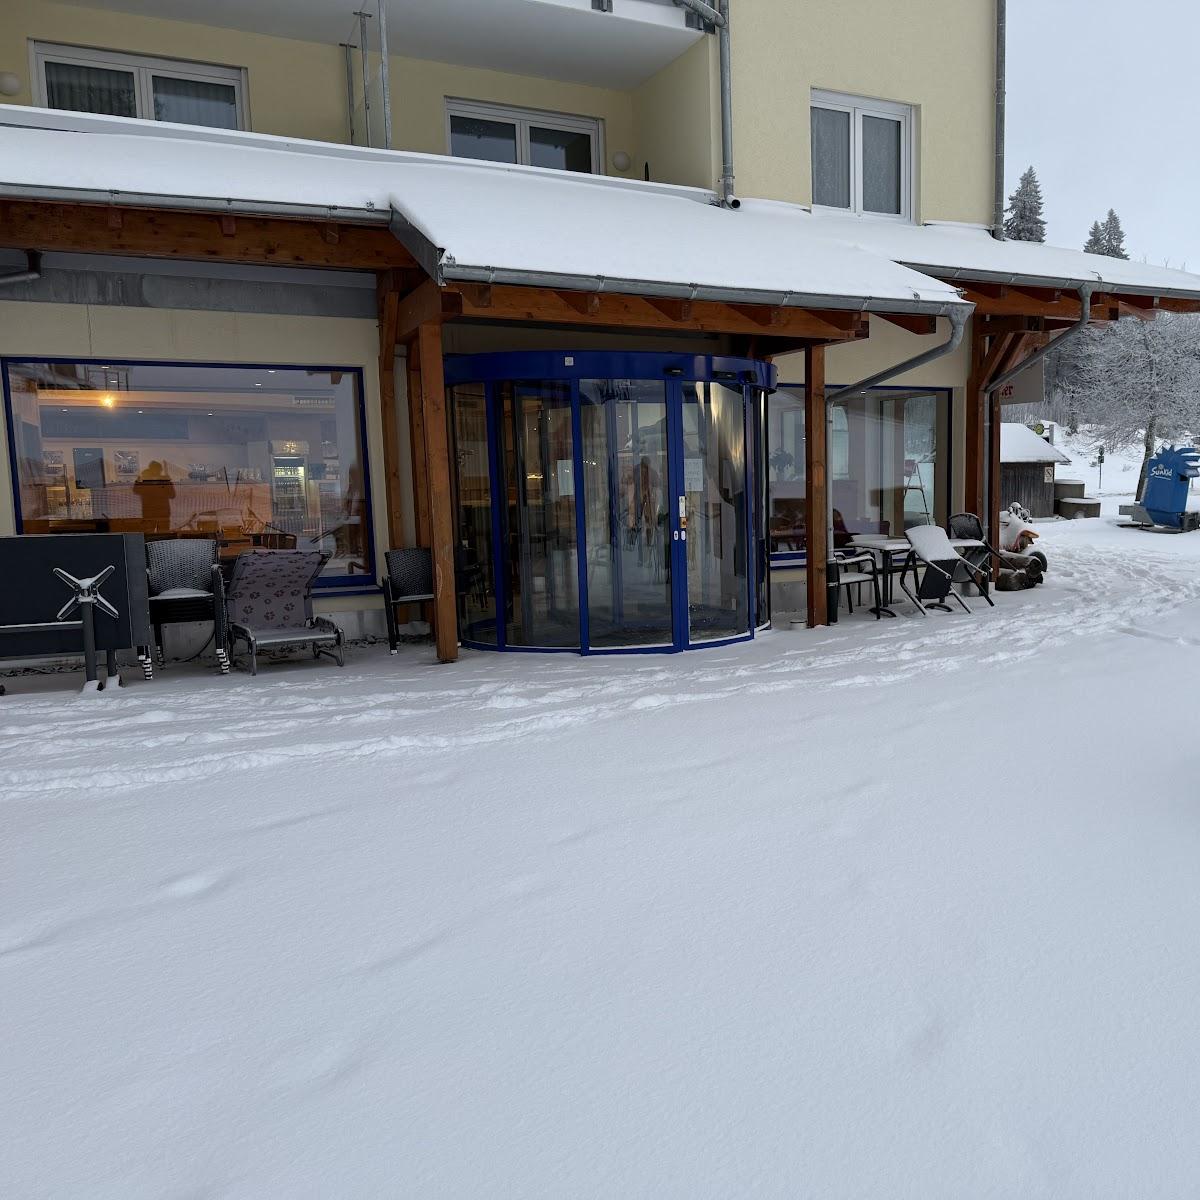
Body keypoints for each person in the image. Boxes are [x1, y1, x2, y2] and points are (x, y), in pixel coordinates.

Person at [132, 461, 176, 533]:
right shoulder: (144, 479)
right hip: (156, 513)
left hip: (158, 513)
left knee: (159, 534)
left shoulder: (145, 480)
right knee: (153, 534)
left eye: (159, 469)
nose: (158, 471)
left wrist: (168, 482)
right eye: (157, 469)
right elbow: (172, 495)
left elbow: (172, 495)